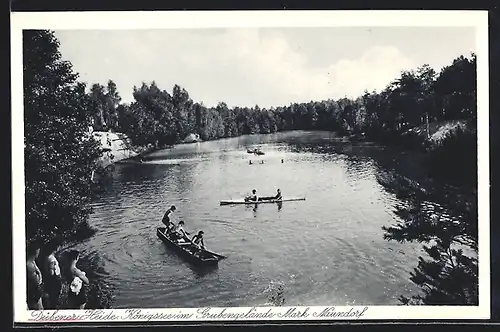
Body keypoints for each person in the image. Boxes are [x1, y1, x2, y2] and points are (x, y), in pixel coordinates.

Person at [41, 241, 62, 309]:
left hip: (50, 280)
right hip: (54, 281)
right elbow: (51, 272)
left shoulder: (47, 257)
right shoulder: (51, 259)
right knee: (54, 299)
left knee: (51, 299)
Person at [26, 242, 43, 310]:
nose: (39, 253)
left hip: (37, 291)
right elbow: (34, 282)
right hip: (34, 293)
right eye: (38, 251)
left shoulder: (33, 261)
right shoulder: (29, 265)